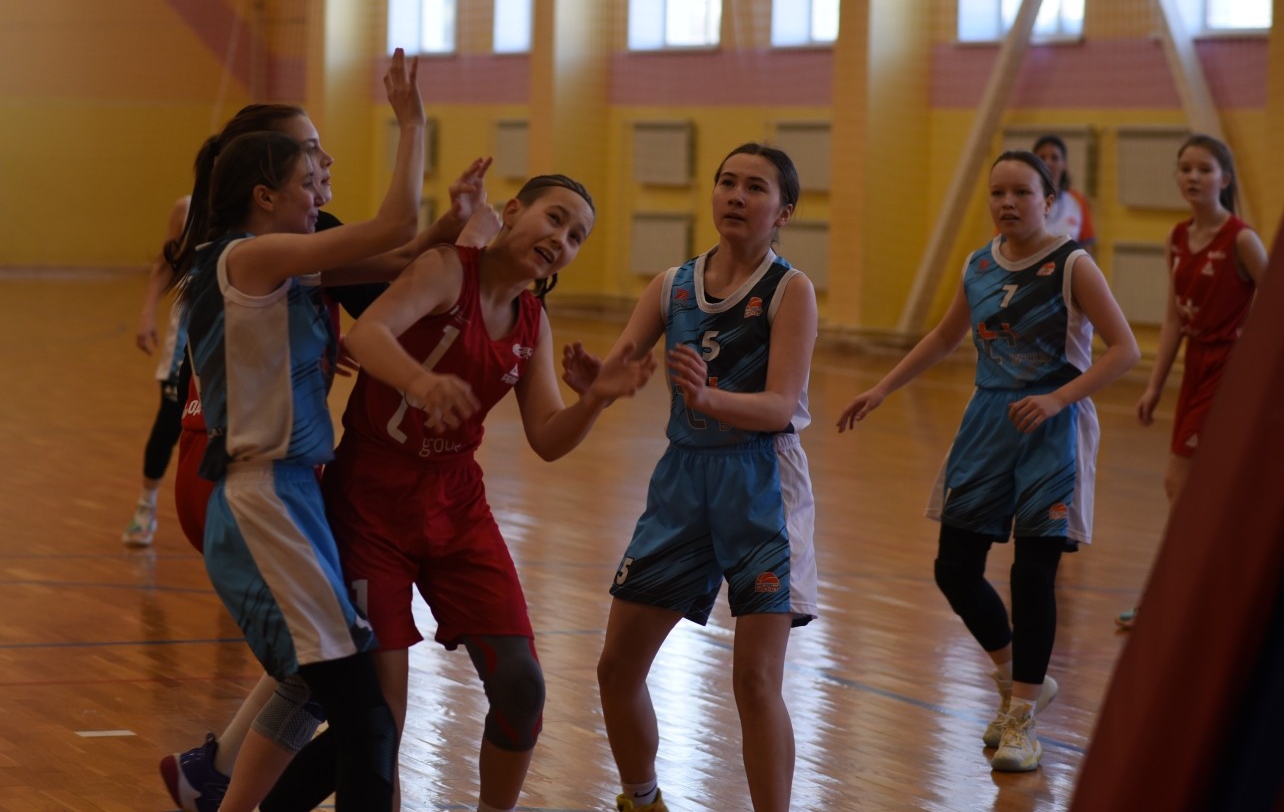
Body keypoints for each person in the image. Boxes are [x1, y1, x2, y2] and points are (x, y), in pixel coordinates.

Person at [255, 175, 657, 812]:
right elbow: (367, 334)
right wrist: (421, 383)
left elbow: (547, 438)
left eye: (577, 236)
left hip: (456, 503)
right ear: (513, 211)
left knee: (522, 687)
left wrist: (596, 401)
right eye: (554, 219)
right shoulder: (446, 269)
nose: (561, 239)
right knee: (381, 721)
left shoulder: (532, 321)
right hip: (370, 500)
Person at [158, 104, 492, 812]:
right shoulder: (245, 257)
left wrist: (452, 223)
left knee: (340, 705)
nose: (320, 194)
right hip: (261, 498)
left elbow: (400, 257)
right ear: (264, 196)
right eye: (308, 181)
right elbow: (392, 227)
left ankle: (219, 791)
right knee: (365, 719)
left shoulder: (291, 264)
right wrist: (413, 125)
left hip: (291, 493)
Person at [838, 150, 1139, 774]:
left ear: (1048, 201)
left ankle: (1023, 717)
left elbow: (1125, 350)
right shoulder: (978, 263)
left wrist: (1058, 398)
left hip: (1052, 428)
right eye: (997, 192)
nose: (1007, 203)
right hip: (986, 424)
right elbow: (945, 336)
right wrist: (883, 387)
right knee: (954, 568)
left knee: (1032, 575)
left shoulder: (1072, 264)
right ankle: (1015, 678)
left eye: (1022, 192)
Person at [589, 144, 819, 812]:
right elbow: (618, 364)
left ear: (784, 212)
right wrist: (595, 381)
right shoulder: (672, 285)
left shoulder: (790, 290)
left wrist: (709, 397)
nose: (736, 195)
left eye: (755, 187)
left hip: (762, 484)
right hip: (684, 480)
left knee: (754, 681)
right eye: (727, 182)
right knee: (617, 667)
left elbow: (779, 406)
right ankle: (642, 798)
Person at [1121, 134, 1266, 628]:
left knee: (1177, 482)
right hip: (1196, 367)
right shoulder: (1176, 238)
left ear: (1225, 178)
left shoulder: (1242, 239)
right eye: (1185, 168)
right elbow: (1173, 319)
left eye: (1204, 169)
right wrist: (1154, 385)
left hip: (1230, 369)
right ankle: (1217, 590)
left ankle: (1172, 598)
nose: (1193, 177)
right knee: (1205, 489)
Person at [125, 193, 194, 545]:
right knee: (168, 423)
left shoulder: (258, 206)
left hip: (234, 339)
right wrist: (147, 313)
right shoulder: (187, 208)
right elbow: (165, 264)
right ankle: (145, 505)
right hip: (187, 336)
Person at [1032, 135, 1095, 250]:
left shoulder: (1078, 200)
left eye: (1054, 158)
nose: (1048, 162)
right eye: (1042, 157)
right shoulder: (1021, 199)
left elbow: (1086, 249)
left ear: (1064, 164)